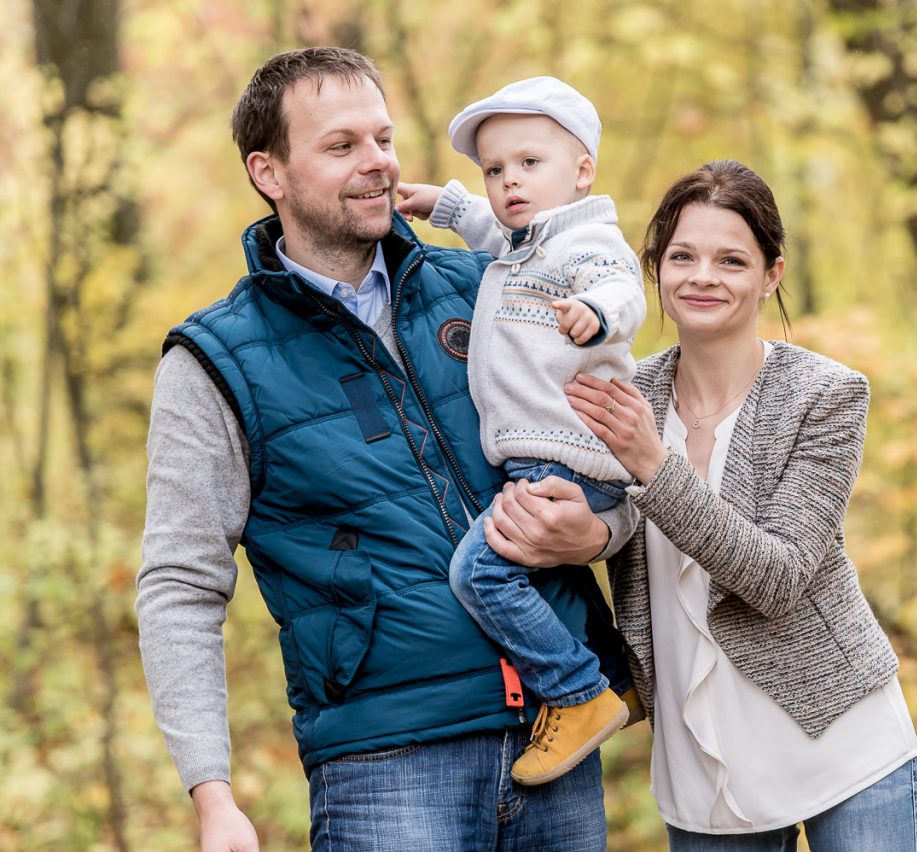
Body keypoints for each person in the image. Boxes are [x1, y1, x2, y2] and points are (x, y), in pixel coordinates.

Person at [136, 48, 635, 851]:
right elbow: (180, 585)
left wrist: (600, 533)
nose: (378, 164)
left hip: (560, 738)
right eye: (341, 146)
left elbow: (619, 445)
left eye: (383, 138)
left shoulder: (489, 284)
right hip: (386, 769)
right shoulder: (214, 360)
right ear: (270, 172)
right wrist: (212, 792)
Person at [566, 160, 917, 851]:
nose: (703, 276)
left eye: (731, 260)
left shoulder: (825, 396)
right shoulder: (623, 396)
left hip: (840, 745)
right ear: (655, 271)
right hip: (701, 762)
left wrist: (652, 462)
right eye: (682, 257)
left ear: (771, 276)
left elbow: (778, 576)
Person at [394, 76, 645, 786]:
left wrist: (598, 311)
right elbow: (492, 229)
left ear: (582, 171)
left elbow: (621, 282)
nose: (509, 183)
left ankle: (577, 694)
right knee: (552, 571)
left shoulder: (587, 241)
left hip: (566, 456)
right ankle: (621, 681)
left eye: (529, 164)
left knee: (480, 572)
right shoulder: (526, 243)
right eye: (495, 170)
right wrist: (446, 205)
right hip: (541, 458)